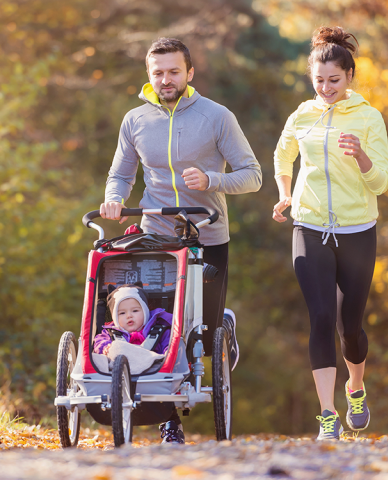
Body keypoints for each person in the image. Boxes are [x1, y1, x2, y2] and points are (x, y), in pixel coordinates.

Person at [99, 37, 262, 442]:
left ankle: (221, 322)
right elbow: (120, 174)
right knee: (160, 328)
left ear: (190, 73)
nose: (165, 79)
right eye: (158, 73)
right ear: (149, 76)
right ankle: (171, 421)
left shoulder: (216, 117)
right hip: (156, 236)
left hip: (207, 233)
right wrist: (114, 199)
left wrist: (212, 180)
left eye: (174, 71)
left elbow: (252, 174)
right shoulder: (135, 120)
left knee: (202, 338)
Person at [272, 26, 388, 440]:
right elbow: (282, 154)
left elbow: (381, 184)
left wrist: (360, 155)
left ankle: (355, 387)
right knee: (321, 317)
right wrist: (285, 194)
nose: (326, 88)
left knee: (350, 327)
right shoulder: (301, 114)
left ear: (350, 77)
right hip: (309, 225)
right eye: (319, 80)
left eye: (334, 81)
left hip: (358, 231)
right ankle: (327, 415)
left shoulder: (369, 117)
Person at [93, 284, 172, 356]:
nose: (129, 316)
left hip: (155, 369)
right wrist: (106, 347)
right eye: (122, 313)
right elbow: (99, 341)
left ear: (145, 313)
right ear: (115, 318)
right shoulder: (109, 333)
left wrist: (167, 352)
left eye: (135, 311)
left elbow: (169, 345)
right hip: (120, 368)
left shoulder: (161, 332)